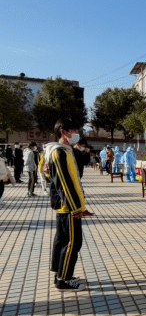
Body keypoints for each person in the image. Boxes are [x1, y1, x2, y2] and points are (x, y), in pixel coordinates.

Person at [47, 118, 86, 291]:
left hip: (69, 206)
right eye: (74, 131)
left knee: (64, 240)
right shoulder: (59, 152)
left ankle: (61, 274)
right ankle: (63, 279)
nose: (77, 135)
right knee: (72, 242)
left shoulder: (65, 151)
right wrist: (75, 207)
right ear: (64, 132)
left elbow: (73, 181)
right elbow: (64, 184)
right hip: (68, 207)